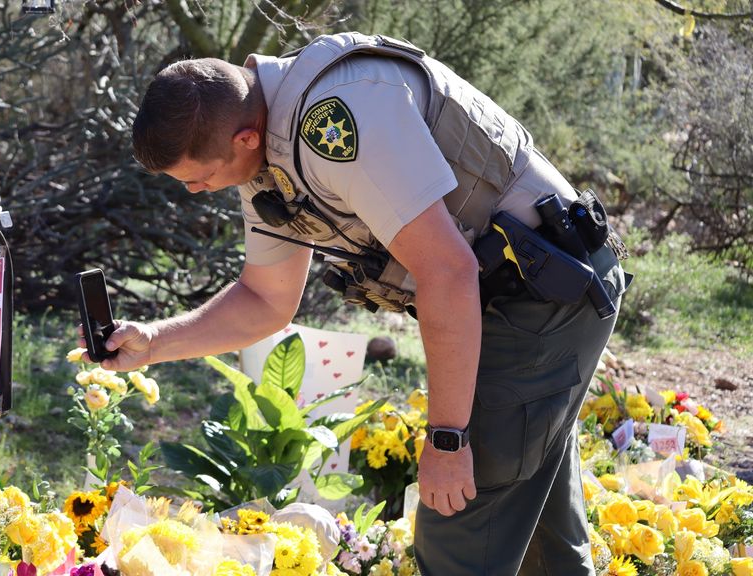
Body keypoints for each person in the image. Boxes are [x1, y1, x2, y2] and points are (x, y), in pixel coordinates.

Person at [92, 32, 630, 575]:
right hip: (511, 303)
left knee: (459, 527)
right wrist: (153, 343)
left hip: (545, 297)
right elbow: (264, 299)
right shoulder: (265, 154)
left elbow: (448, 272)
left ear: (245, 137)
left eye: (198, 177)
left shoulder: (338, 119)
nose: (196, 190)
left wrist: (447, 440)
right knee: (542, 536)